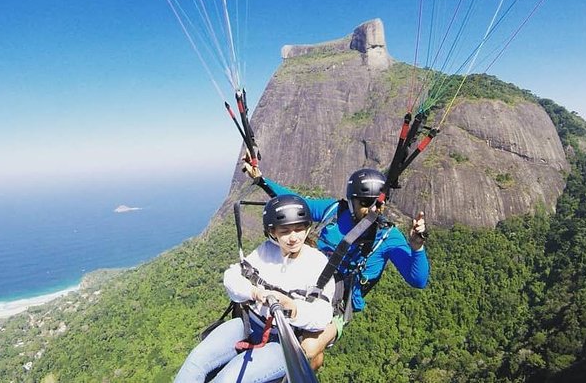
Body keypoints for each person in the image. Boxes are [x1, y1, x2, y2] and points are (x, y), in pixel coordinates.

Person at [243, 163, 430, 369]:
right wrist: (261, 180)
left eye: (379, 203)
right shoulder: (333, 210)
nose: (373, 209)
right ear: (351, 201)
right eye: (366, 202)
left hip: (339, 304)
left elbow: (418, 280)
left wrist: (416, 246)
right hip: (305, 285)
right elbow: (298, 205)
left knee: (308, 348)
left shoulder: (388, 237)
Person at [174, 194, 335, 383]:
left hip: (282, 341)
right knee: (195, 362)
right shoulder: (266, 251)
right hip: (248, 324)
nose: (293, 238)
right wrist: (254, 292)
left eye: (299, 229)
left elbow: (323, 315)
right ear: (273, 232)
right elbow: (232, 276)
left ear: (307, 228)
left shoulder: (317, 263)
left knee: (227, 380)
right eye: (285, 231)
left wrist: (294, 308)